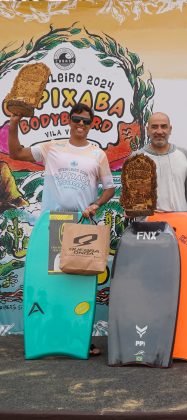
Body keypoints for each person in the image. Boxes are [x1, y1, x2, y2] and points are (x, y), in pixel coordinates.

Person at [8, 102, 115, 356]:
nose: (80, 125)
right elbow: (16, 153)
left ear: (92, 125)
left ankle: (78, 338)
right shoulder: (52, 147)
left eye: (86, 121)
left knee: (79, 282)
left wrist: (96, 204)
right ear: (69, 121)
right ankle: (47, 336)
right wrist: (14, 125)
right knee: (52, 281)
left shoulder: (97, 154)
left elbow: (109, 187)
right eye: (76, 119)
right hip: (52, 223)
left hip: (81, 225)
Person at [130, 112, 187, 219]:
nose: (159, 131)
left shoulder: (184, 155)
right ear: (148, 130)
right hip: (149, 226)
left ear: (170, 129)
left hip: (182, 222)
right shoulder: (136, 158)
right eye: (154, 127)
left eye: (164, 127)